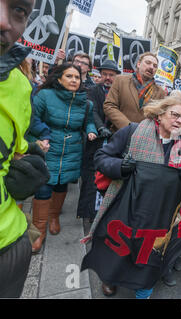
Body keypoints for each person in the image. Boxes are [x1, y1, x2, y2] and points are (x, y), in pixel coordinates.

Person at [93, 95, 181, 299]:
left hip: (160, 210)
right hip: (127, 204)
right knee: (120, 245)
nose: (178, 121)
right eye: (174, 115)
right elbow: (101, 158)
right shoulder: (132, 131)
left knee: (149, 250)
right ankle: (110, 278)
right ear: (160, 114)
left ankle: (143, 288)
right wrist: (119, 167)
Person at [30, 64, 97, 253]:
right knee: (44, 186)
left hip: (71, 149)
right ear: (59, 78)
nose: (74, 80)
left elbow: (89, 121)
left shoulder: (86, 103)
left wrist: (91, 130)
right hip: (48, 147)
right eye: (69, 76)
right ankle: (38, 231)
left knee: (61, 184)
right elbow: (32, 118)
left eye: (77, 77)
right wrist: (39, 139)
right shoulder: (45, 96)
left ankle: (54, 217)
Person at [0, 0, 38, 298]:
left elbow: (16, 154)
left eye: (19, 11)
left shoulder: (20, 85)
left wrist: (24, 173)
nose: (4, 21)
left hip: (10, 246)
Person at [76, 60, 121, 222]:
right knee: (91, 176)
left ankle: (104, 211)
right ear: (100, 75)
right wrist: (101, 127)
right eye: (105, 74)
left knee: (108, 176)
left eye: (111, 75)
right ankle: (89, 212)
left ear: (116, 77)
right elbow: (92, 110)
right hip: (96, 139)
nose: (108, 78)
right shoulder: (93, 90)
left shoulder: (120, 92)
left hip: (115, 141)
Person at [104, 52, 166, 132]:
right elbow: (109, 106)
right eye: (148, 63)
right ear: (138, 64)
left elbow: (160, 117)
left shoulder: (160, 92)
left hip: (144, 138)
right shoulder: (120, 80)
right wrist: (128, 127)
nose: (151, 67)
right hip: (120, 135)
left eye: (155, 66)